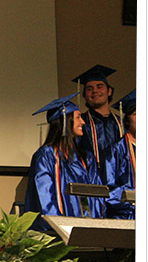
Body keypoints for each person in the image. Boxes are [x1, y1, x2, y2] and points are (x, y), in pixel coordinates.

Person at [24, 92, 106, 231]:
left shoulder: (86, 158)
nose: (83, 122)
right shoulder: (45, 156)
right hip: (56, 233)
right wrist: (62, 228)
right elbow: (44, 198)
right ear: (65, 121)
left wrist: (95, 225)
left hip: (86, 230)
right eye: (78, 117)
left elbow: (96, 193)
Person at [72, 65, 123, 187]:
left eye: (99, 87)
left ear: (109, 91)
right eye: (89, 89)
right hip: (91, 182)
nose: (95, 91)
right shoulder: (80, 123)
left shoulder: (121, 123)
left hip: (120, 181)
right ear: (84, 95)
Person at [108, 90, 136, 219]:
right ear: (128, 119)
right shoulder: (116, 150)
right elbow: (110, 189)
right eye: (137, 114)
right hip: (127, 215)